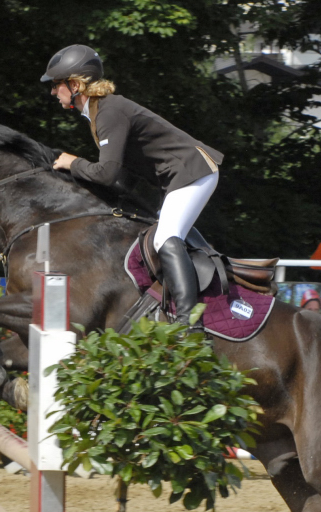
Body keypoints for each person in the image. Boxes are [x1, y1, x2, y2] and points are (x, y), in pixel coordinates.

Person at [42, 44, 223, 331]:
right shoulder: (99, 110)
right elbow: (123, 174)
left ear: (75, 85)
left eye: (56, 84)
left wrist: (73, 163)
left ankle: (190, 327)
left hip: (193, 171)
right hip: (180, 176)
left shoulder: (108, 112)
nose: (53, 92)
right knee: (157, 233)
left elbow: (106, 173)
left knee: (165, 238)